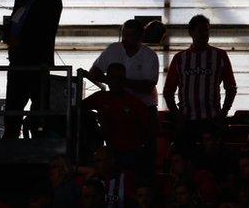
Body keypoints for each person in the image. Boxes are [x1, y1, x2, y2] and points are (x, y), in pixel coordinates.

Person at [86, 19, 160, 178]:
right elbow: (94, 72)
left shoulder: (150, 56)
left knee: (147, 150)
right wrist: (113, 83)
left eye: (130, 36)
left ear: (140, 37)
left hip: (144, 106)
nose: (125, 39)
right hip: (116, 104)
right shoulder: (113, 49)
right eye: (124, 35)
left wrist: (119, 83)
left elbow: (148, 87)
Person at [3, 0, 62, 139]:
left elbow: (43, 30)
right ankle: (10, 140)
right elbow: (15, 21)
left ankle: (38, 140)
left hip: (36, 62)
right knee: (13, 107)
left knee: (38, 108)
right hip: (18, 60)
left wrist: (20, 41)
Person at [163, 15, 237, 153]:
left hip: (212, 119)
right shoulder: (180, 58)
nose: (204, 34)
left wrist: (223, 113)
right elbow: (168, 91)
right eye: (201, 30)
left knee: (212, 160)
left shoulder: (220, 56)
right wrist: (178, 116)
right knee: (186, 160)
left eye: (207, 30)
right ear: (190, 32)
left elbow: (231, 87)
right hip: (187, 120)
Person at [83, 63, 154, 176]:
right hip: (109, 153)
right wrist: (95, 116)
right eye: (112, 77)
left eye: (119, 78)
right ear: (107, 78)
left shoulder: (135, 103)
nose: (115, 81)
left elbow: (149, 130)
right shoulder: (101, 97)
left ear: (124, 80)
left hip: (131, 154)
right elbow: (78, 108)